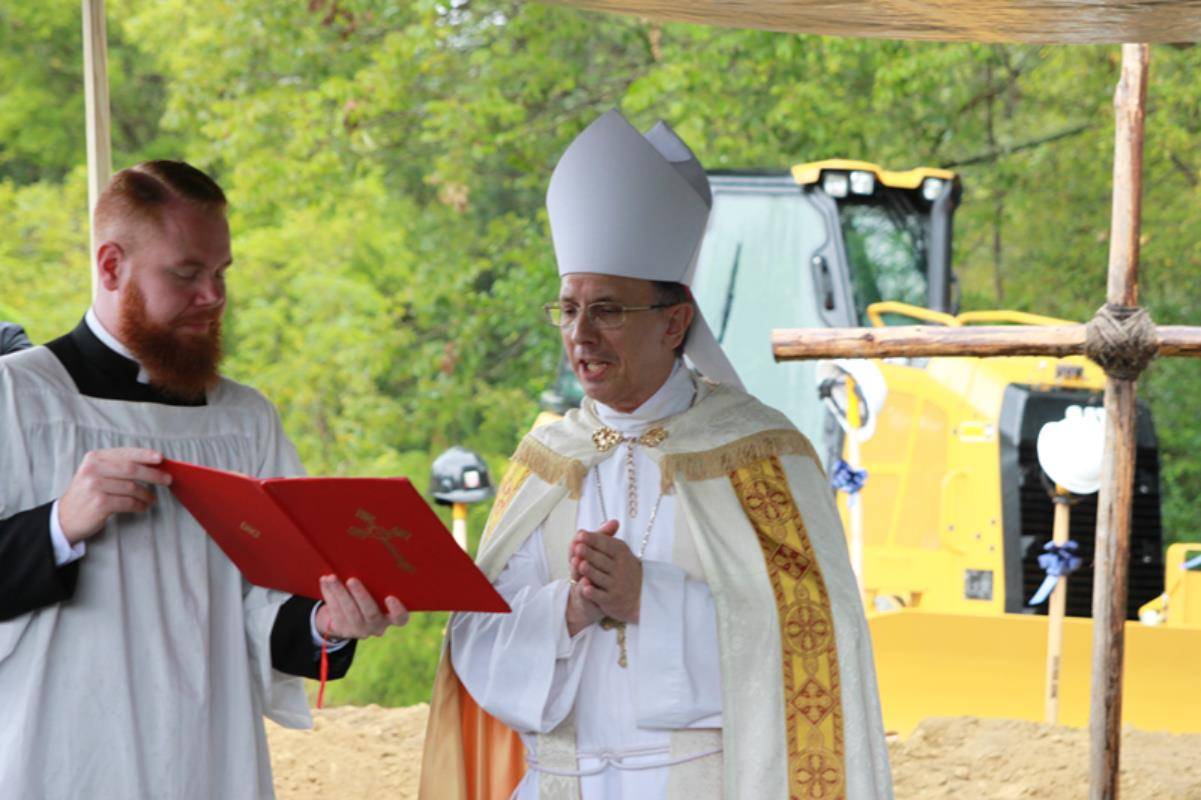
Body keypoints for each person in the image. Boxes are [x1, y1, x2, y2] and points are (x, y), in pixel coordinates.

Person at [420, 110, 893, 799]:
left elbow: (813, 644)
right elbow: (476, 645)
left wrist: (651, 598)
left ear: (674, 322)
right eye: (568, 308)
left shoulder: (757, 454)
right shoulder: (548, 458)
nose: (580, 334)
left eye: (607, 309)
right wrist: (571, 611)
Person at [0, 160, 409, 799]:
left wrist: (326, 623)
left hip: (211, 757)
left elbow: (267, 602)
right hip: (60, 757)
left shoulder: (245, 422)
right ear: (111, 266)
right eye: (187, 273)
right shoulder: (17, 399)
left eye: (220, 274)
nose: (213, 297)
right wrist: (59, 523)